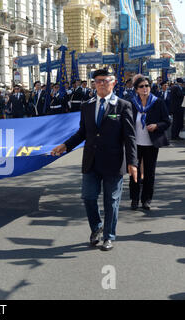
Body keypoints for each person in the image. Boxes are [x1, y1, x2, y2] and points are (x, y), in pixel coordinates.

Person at [50, 69, 138, 251]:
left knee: (111, 201)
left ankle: (109, 236)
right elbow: (82, 132)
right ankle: (96, 227)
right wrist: (65, 145)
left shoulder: (123, 106)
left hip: (114, 162)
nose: (101, 84)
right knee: (88, 197)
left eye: (105, 81)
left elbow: (130, 137)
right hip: (91, 161)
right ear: (94, 84)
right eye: (98, 81)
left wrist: (132, 163)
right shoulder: (87, 105)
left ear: (113, 83)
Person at [129, 75, 170, 211]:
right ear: (136, 89)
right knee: (134, 172)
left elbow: (167, 121)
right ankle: (134, 199)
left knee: (149, 173)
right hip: (135, 144)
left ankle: (146, 199)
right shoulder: (132, 103)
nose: (145, 88)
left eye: (147, 85)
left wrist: (157, 126)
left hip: (151, 144)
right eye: (142, 86)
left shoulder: (157, 102)